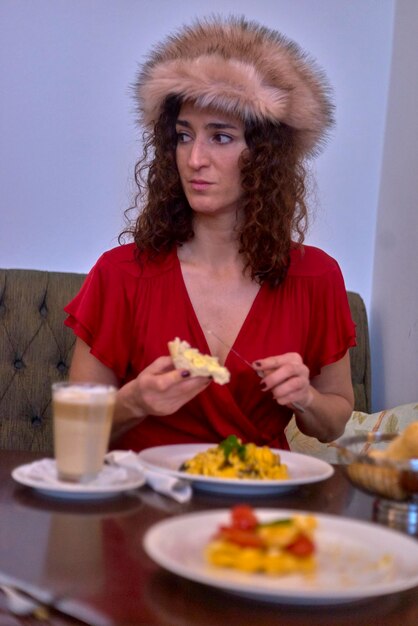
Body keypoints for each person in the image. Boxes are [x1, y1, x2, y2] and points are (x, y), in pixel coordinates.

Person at [65, 15, 356, 452]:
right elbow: (74, 433)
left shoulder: (317, 276)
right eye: (184, 136)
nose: (194, 158)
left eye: (220, 137)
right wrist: (134, 401)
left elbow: (332, 423)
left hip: (256, 503)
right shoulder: (119, 274)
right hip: (144, 503)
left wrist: (306, 398)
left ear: (265, 157)